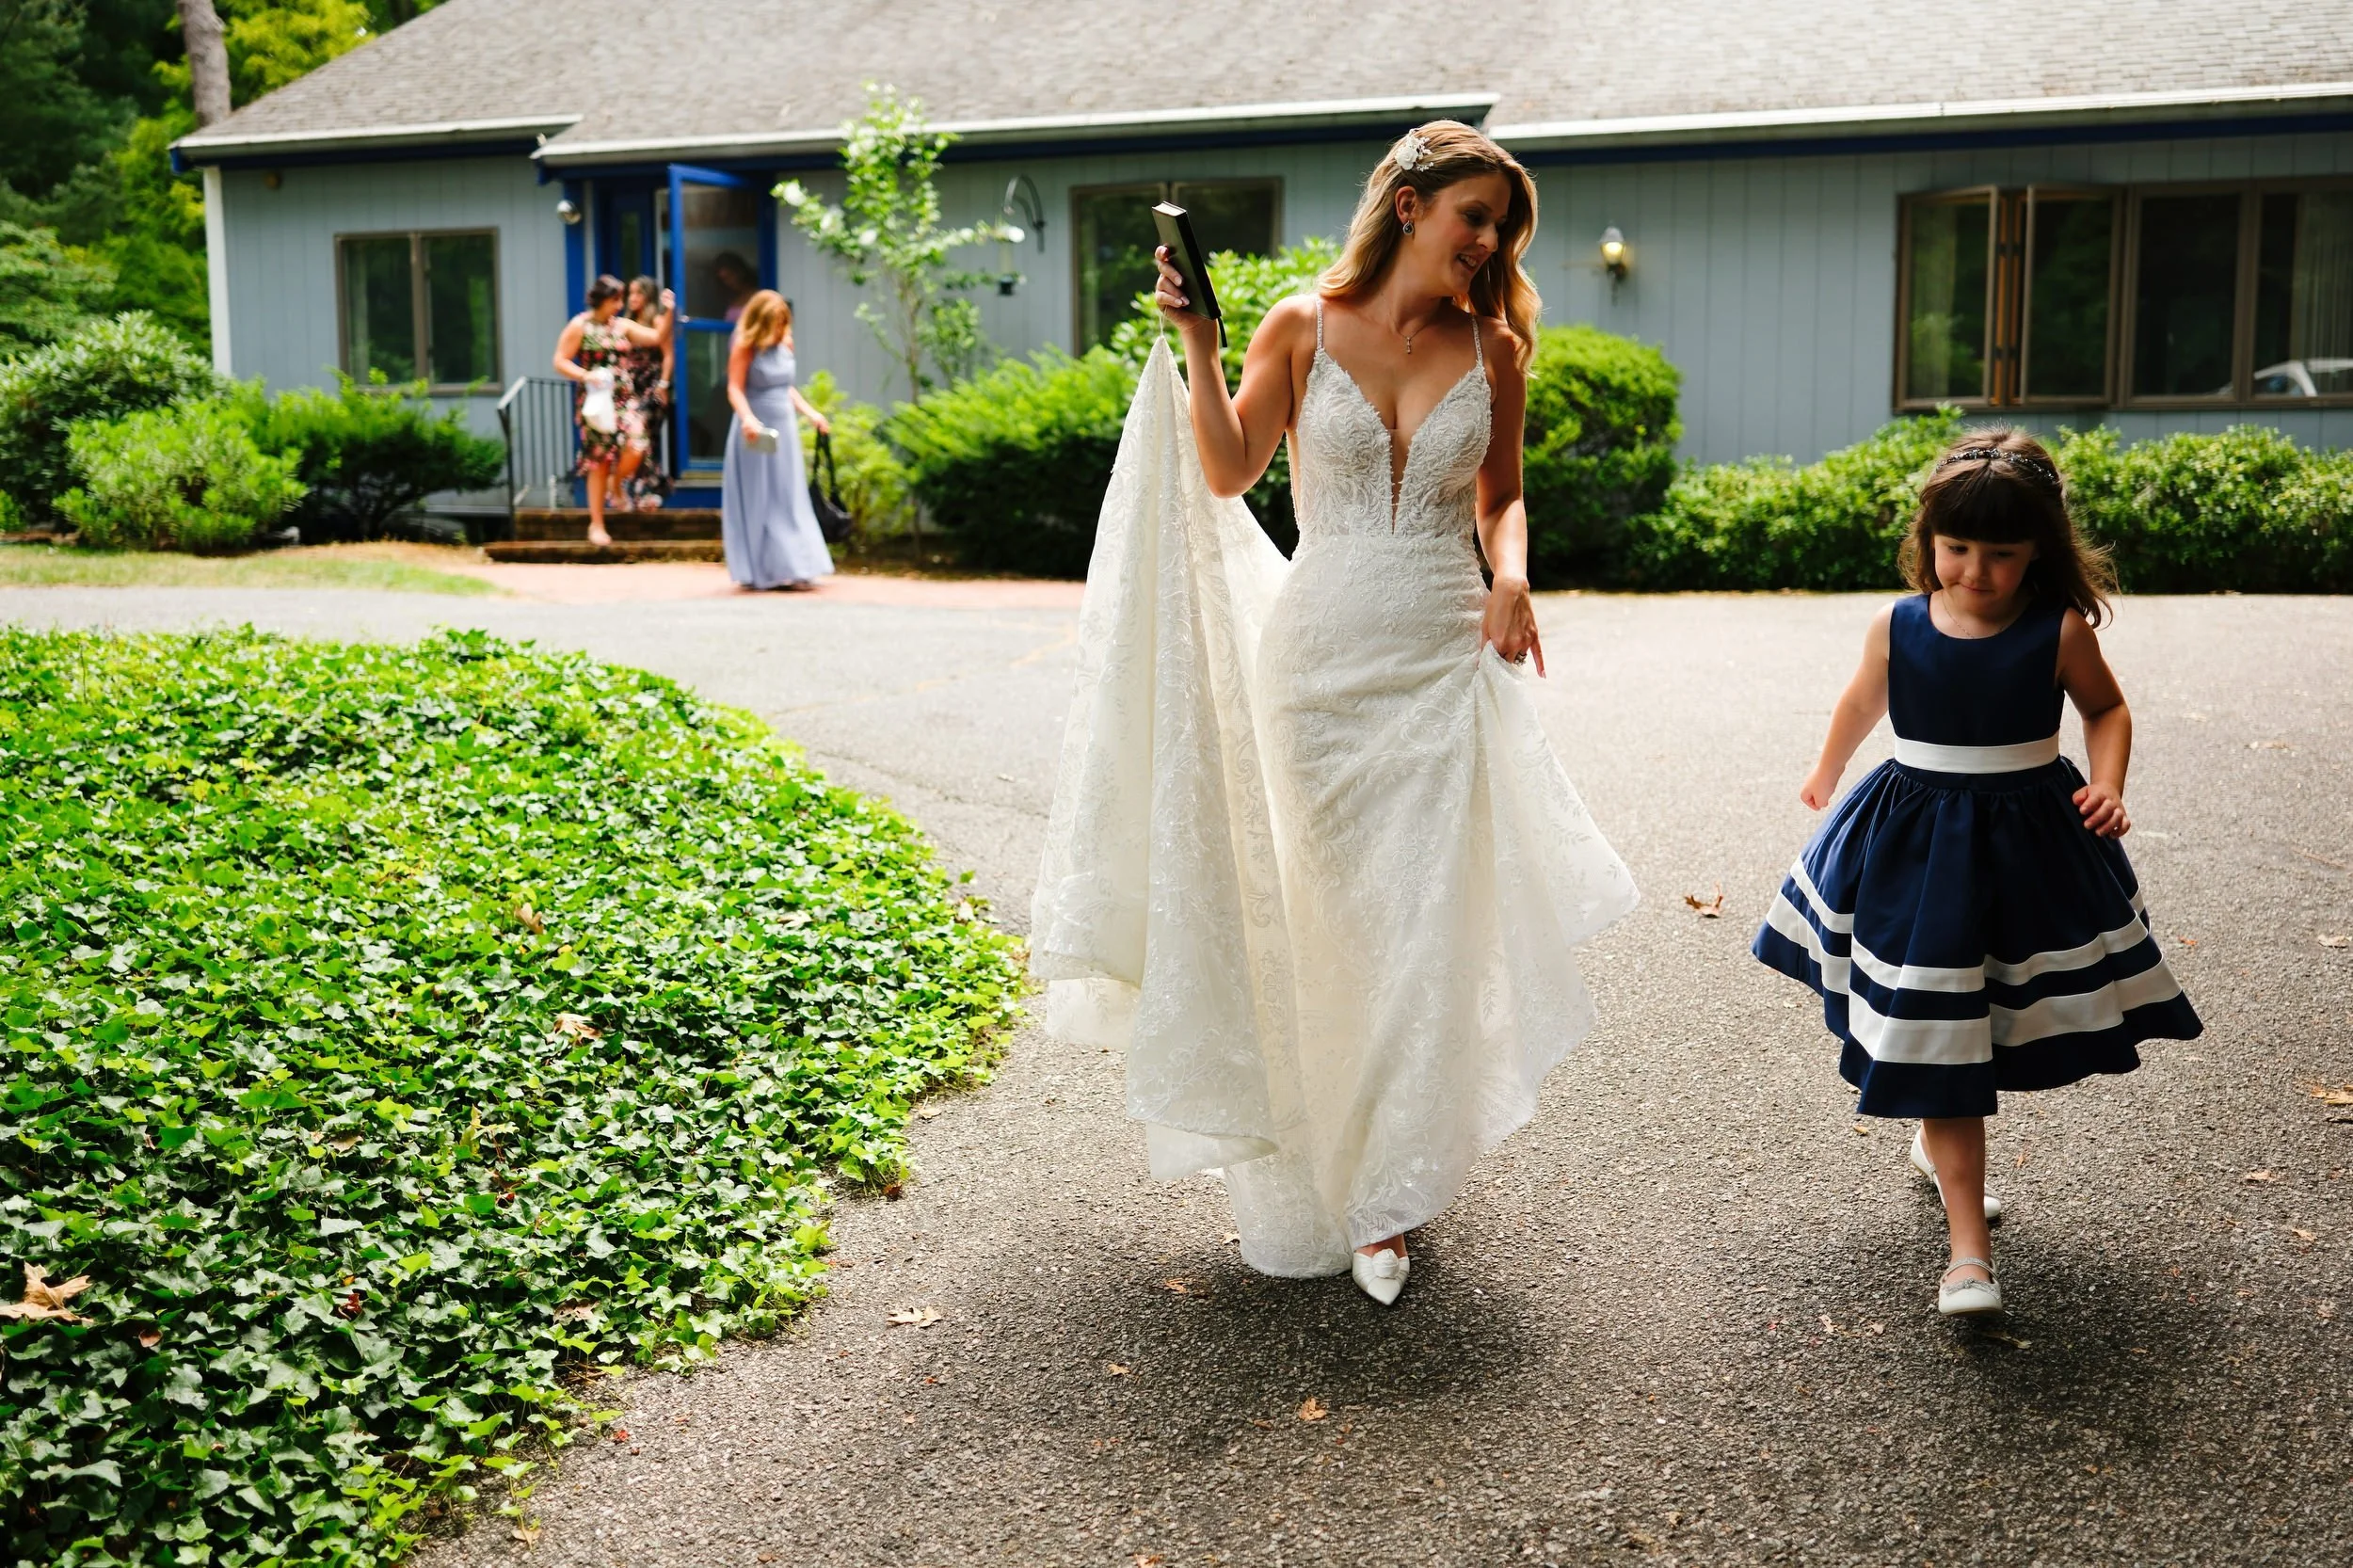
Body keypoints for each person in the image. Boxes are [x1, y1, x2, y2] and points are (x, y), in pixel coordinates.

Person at [1030, 122, 1638, 1305]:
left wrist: (1511, 571)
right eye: (1473, 215)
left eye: (1501, 227)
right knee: (1334, 927)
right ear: (1408, 206)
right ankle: (1337, 1153)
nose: (1488, 241)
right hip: (1315, 666)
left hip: (1440, 652)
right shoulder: (1301, 324)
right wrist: (1201, 346)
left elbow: (1500, 497)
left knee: (1420, 933)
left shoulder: (1494, 346)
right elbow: (1225, 469)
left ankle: (1388, 1197)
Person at [1751, 430, 2201, 1319]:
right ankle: (1969, 1252)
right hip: (1914, 848)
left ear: (2040, 550)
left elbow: (2106, 709)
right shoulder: (1899, 623)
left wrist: (2107, 783)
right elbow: (1861, 698)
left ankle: (1935, 1144)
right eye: (1955, 549)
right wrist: (1828, 766)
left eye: (2000, 554)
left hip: (2029, 846)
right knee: (1939, 1025)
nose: (1973, 571)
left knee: (1974, 1015)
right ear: (1929, 539)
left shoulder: (2056, 630)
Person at [719, 289, 834, 590]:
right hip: (755, 428)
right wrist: (747, 418)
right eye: (775, 322)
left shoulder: (787, 343)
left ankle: (796, 566)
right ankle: (762, 570)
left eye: (784, 322)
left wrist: (812, 414)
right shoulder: (745, 346)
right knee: (761, 498)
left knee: (787, 496)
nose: (781, 328)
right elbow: (734, 388)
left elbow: (787, 388)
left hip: (785, 427)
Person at [552, 275, 670, 547]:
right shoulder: (580, 325)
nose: (620, 305)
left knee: (638, 443)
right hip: (596, 402)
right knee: (600, 459)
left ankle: (615, 484)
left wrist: (670, 311)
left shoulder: (622, 326)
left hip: (624, 398)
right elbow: (559, 360)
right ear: (602, 299)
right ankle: (596, 524)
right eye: (615, 299)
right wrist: (585, 375)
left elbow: (656, 338)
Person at [614, 275, 674, 512]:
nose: (633, 298)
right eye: (630, 293)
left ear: (647, 297)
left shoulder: (656, 321)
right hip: (631, 387)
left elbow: (668, 354)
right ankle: (642, 491)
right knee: (636, 440)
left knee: (645, 437)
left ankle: (647, 491)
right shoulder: (626, 322)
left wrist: (664, 384)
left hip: (652, 385)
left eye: (638, 293)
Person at [712, 251, 759, 323]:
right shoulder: (731, 298)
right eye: (723, 279)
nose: (727, 282)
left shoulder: (758, 295)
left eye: (730, 276)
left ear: (740, 272)